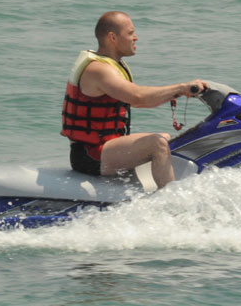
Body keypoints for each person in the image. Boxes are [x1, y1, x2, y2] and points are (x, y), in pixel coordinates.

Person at [61, 11, 205, 189]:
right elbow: (138, 98)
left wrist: (180, 91)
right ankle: (171, 202)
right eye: (130, 33)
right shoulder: (98, 70)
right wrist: (181, 88)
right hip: (90, 155)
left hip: (105, 147)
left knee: (168, 138)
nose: (136, 38)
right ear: (112, 37)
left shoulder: (112, 65)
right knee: (157, 144)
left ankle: (174, 184)